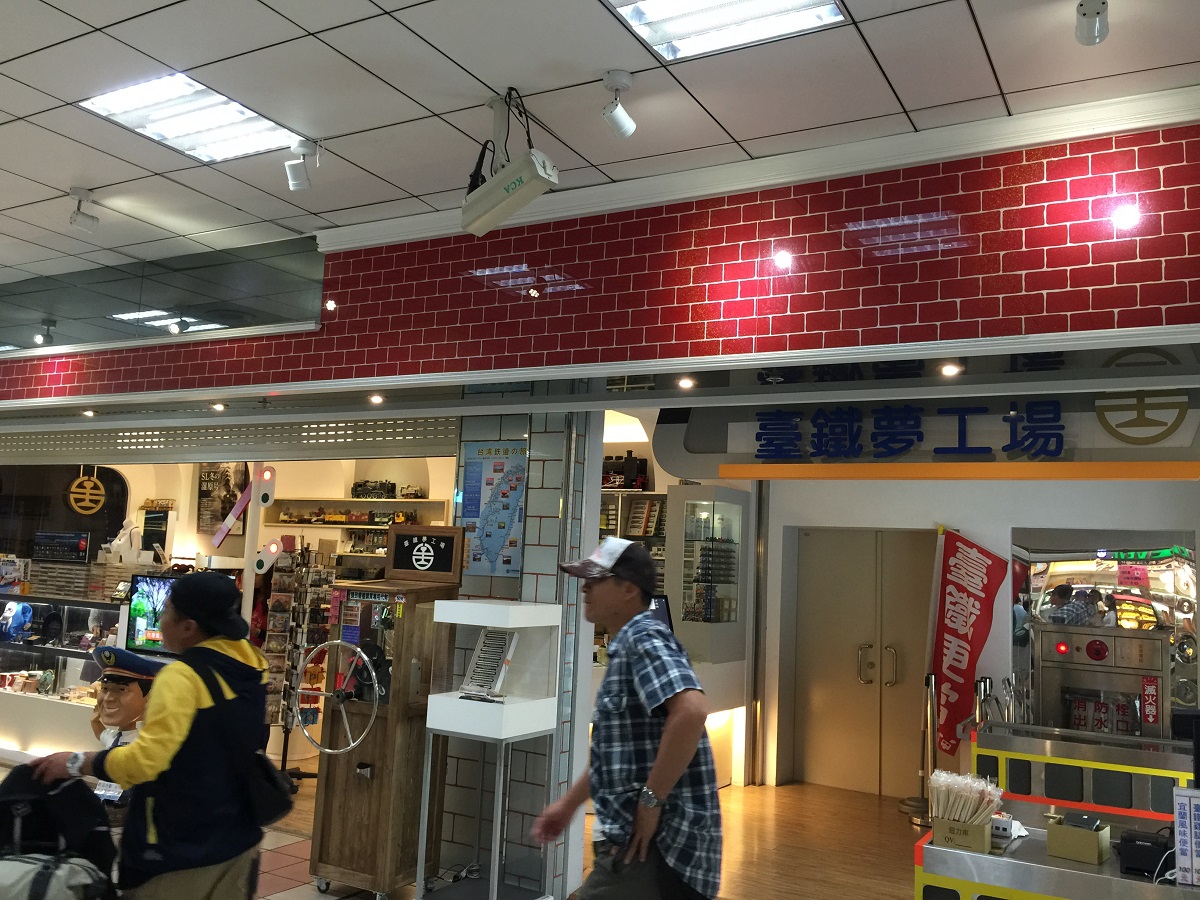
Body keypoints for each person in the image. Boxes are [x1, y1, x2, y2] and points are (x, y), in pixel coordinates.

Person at [31, 571, 269, 900]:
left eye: (167, 610)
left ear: (189, 627)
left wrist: (76, 762)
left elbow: (146, 762)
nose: (160, 618)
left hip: (178, 852)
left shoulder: (181, 679)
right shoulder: (253, 664)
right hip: (240, 842)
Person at [533, 538, 722, 900]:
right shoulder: (627, 645)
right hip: (641, 847)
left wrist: (651, 801)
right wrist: (568, 806)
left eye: (596, 579)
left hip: (656, 849)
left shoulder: (643, 638)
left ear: (629, 589)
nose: (585, 588)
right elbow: (613, 757)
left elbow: (692, 711)